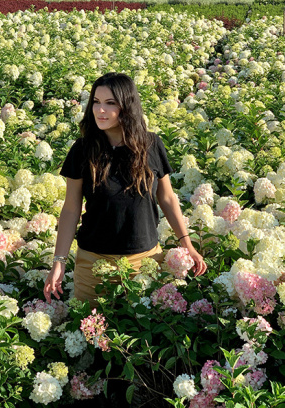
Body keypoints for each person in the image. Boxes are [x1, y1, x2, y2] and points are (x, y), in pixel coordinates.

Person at [44, 72, 206, 306]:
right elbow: (71, 209)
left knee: (142, 334)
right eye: (96, 102)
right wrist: (58, 262)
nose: (100, 110)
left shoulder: (151, 145)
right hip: (93, 264)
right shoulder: (82, 149)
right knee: (91, 330)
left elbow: (168, 198)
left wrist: (187, 245)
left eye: (110, 103)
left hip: (145, 261)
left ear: (127, 107)